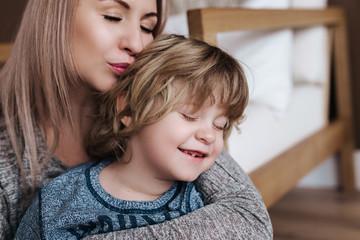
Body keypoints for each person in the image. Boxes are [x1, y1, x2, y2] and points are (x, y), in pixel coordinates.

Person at [0, 0, 272, 239]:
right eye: (113, 17)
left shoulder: (173, 124)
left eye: (147, 27)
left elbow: (250, 221)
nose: (137, 44)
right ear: (54, 16)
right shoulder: (21, 173)